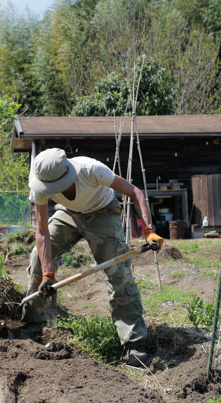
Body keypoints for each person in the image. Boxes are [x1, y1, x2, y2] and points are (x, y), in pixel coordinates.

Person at [21, 147, 164, 367]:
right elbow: (42, 232)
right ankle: (32, 326)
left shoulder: (92, 169)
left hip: (102, 211)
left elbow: (135, 192)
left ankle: (133, 342)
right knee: (37, 260)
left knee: (119, 273)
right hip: (67, 213)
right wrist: (48, 273)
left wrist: (148, 229)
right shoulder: (39, 182)